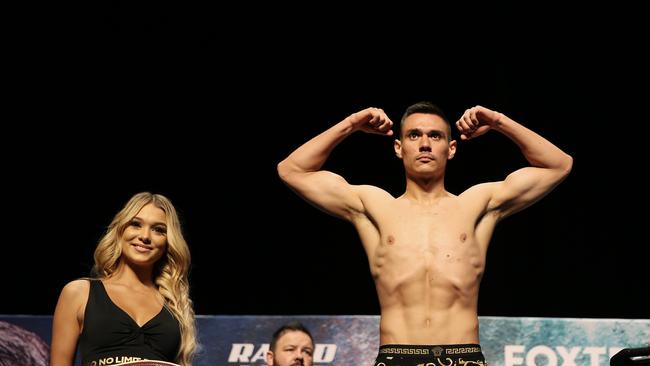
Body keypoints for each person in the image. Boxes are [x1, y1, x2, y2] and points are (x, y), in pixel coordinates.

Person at [277, 103, 573, 366]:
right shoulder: (374, 206)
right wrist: (352, 123)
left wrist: (497, 120)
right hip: (397, 356)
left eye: (435, 136)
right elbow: (292, 170)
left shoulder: (478, 204)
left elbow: (558, 165)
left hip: (464, 356)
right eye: (414, 135)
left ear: (451, 148)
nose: (425, 144)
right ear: (399, 147)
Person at [50, 192, 196, 366]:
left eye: (159, 230)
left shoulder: (174, 303)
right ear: (120, 230)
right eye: (135, 224)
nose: (145, 236)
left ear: (168, 242)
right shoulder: (79, 292)